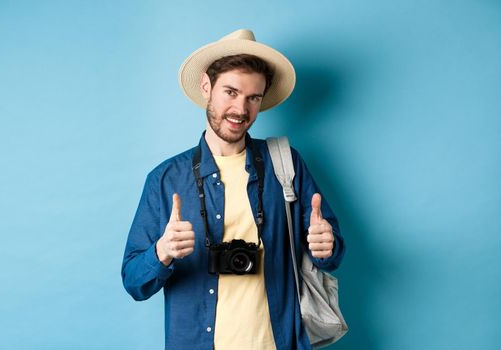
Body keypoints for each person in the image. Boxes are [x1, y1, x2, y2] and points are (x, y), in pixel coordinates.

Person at [121, 29, 345, 350]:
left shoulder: (286, 164)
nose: (240, 109)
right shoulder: (166, 179)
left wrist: (326, 247)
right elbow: (133, 282)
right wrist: (163, 252)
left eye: (253, 97)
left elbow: (330, 252)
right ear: (206, 87)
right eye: (230, 92)